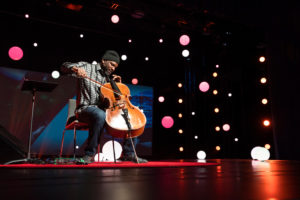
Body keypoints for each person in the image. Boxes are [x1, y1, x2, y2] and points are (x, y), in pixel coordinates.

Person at [61, 50, 147, 163]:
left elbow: (112, 101)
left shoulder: (109, 79)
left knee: (129, 117)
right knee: (99, 114)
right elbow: (64, 66)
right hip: (85, 109)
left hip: (104, 112)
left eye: (115, 67)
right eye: (112, 64)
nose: (113, 68)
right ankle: (89, 154)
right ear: (103, 61)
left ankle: (129, 153)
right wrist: (75, 69)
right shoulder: (87, 67)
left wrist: (118, 87)